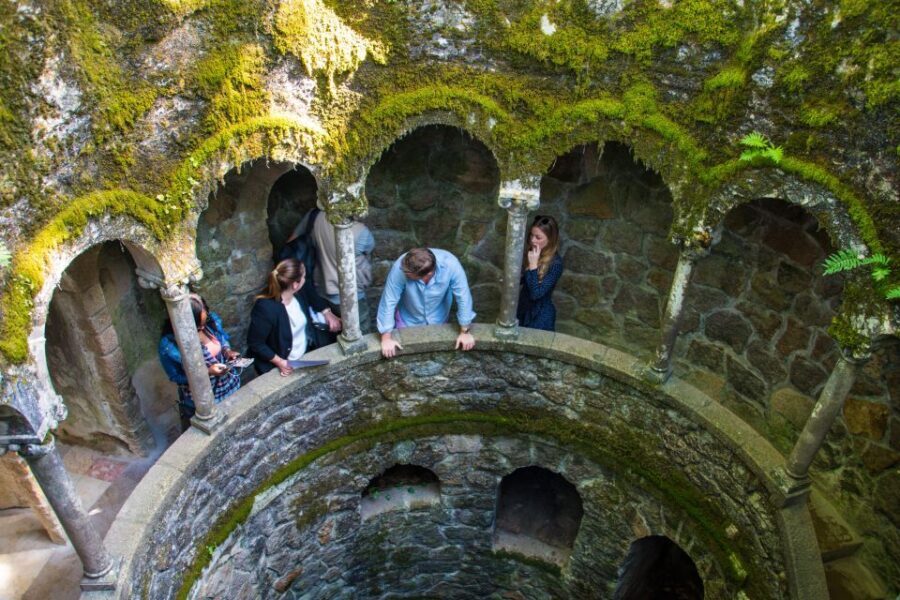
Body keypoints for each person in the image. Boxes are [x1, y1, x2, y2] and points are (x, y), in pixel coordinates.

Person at [247, 258, 341, 376]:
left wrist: (327, 312)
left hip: (304, 354)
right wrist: (280, 362)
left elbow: (312, 294)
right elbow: (255, 343)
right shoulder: (266, 307)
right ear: (295, 284)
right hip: (282, 362)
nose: (305, 280)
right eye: (304, 277)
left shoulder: (298, 292)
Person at [376, 247, 476, 358]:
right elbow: (388, 300)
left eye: (408, 274)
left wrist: (465, 332)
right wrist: (386, 338)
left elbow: (463, 297)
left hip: (439, 317)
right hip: (407, 318)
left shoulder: (451, 265)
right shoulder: (402, 267)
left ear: (429, 273)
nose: (404, 273)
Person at [158, 294, 242, 426]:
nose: (203, 328)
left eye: (204, 321)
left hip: (230, 387)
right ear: (186, 323)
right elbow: (175, 377)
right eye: (198, 326)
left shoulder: (211, 320)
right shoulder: (169, 345)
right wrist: (207, 372)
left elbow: (221, 338)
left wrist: (227, 351)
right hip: (207, 400)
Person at [307, 212, 375, 333]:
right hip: (350, 294)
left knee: (333, 334)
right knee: (361, 333)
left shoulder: (318, 216)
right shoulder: (360, 231)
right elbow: (369, 248)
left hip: (322, 287)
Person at [517, 215, 563, 332]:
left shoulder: (556, 264)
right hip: (523, 311)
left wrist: (533, 265)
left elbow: (536, 294)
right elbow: (526, 280)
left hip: (540, 318)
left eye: (538, 237)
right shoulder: (535, 252)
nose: (533, 240)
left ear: (550, 239)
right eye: (531, 235)